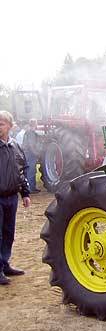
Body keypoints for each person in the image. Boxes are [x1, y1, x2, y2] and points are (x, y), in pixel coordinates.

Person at [0, 110, 31, 285]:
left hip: (11, 197)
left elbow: (21, 171)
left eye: (1, 124)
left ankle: (5, 264)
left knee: (8, 234)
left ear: (10, 126)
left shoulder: (15, 146)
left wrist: (25, 193)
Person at [22, 119, 41, 193]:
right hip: (30, 154)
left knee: (31, 170)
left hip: (27, 153)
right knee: (30, 170)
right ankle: (30, 188)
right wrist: (36, 153)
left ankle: (32, 187)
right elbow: (31, 145)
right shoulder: (31, 133)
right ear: (35, 124)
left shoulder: (28, 132)